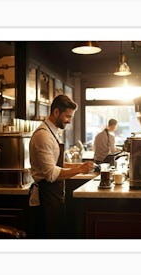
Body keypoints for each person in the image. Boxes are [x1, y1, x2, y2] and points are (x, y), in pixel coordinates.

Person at [29, 94, 94, 239]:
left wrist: (80, 166)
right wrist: (80, 169)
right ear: (56, 112)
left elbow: (56, 164)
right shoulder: (43, 136)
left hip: (54, 194)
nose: (70, 121)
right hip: (46, 195)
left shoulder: (53, 132)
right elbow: (51, 174)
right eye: (68, 116)